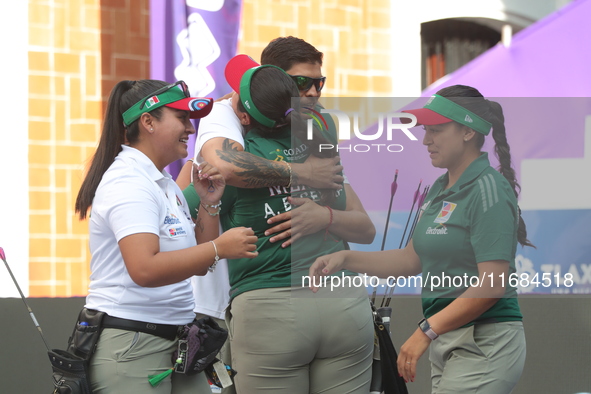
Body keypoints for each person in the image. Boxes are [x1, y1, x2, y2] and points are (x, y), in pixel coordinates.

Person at [309, 85, 530, 393]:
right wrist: (346, 259)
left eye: (436, 130)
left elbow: (492, 284)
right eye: (426, 130)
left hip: (484, 340)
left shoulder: (488, 189)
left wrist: (426, 331)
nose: (426, 140)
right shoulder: (441, 186)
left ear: (467, 132)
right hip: (449, 337)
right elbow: (410, 259)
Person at [175, 36, 361, 394]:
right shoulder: (319, 131)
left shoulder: (248, 149)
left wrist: (189, 184)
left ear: (246, 113)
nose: (310, 93)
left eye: (317, 83)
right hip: (340, 302)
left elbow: (188, 203)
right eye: (300, 84)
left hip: (272, 306)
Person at [74, 79, 258, 394]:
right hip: (131, 346)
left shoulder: (163, 182)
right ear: (148, 122)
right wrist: (220, 248)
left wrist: (210, 204)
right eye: (182, 119)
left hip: (176, 342)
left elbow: (198, 264)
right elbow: (145, 269)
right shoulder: (128, 182)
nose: (190, 129)